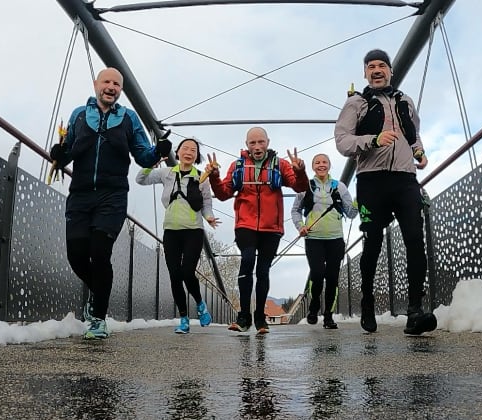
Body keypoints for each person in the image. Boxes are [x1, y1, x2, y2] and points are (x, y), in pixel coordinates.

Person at [49, 67, 170, 340]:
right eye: (107, 81)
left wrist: (158, 153)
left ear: (120, 90)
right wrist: (58, 153)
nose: (111, 87)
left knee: (100, 253)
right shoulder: (79, 115)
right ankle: (98, 294)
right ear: (96, 84)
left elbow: (143, 156)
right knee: (76, 255)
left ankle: (98, 319)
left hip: (112, 196)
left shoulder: (129, 118)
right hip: (80, 195)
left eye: (117, 84)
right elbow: (67, 152)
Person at [333, 49, 437, 336]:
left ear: (390, 71)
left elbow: (413, 133)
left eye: (382, 65)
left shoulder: (405, 101)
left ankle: (414, 311)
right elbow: (342, 141)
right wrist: (373, 140)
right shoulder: (356, 103)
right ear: (365, 73)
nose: (377, 70)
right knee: (373, 244)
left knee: (415, 239)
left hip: (405, 179)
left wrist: (419, 151)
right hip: (371, 181)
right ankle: (367, 301)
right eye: (371, 67)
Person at [205, 127, 309, 334]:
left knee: (263, 270)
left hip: (272, 227)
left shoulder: (280, 165)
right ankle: (244, 317)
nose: (257, 146)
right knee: (247, 260)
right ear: (247, 145)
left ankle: (260, 317)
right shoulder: (238, 166)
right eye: (252, 143)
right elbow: (224, 194)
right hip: (245, 225)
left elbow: (299, 187)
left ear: (268, 142)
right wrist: (214, 177)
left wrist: (300, 170)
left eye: (261, 142)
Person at [135, 137, 220, 334]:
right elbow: (141, 180)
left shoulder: (201, 178)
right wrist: (150, 164)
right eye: (185, 148)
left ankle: (200, 304)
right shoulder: (167, 173)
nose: (189, 152)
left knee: (187, 272)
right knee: (174, 275)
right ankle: (183, 319)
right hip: (171, 231)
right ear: (178, 152)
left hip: (193, 231)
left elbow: (207, 204)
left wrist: (209, 217)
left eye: (193, 150)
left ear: (197, 156)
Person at [291, 153, 357, 329]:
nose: (321, 165)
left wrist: (359, 200)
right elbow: (295, 211)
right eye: (317, 162)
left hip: (336, 239)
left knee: (333, 278)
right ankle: (314, 306)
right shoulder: (306, 187)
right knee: (318, 274)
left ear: (329, 165)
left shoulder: (340, 187)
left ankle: (328, 316)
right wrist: (300, 226)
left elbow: (351, 213)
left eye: (324, 162)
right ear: (313, 167)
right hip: (313, 239)